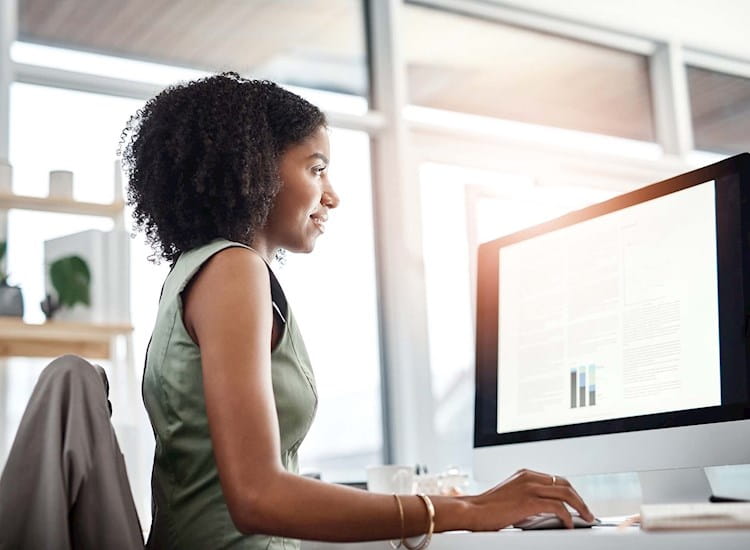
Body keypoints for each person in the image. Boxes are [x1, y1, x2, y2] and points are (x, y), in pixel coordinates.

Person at [120, 72, 594, 549]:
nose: (332, 194)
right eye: (315, 168)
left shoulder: (194, 273)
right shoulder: (233, 270)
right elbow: (257, 497)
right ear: (255, 168)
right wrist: (469, 509)